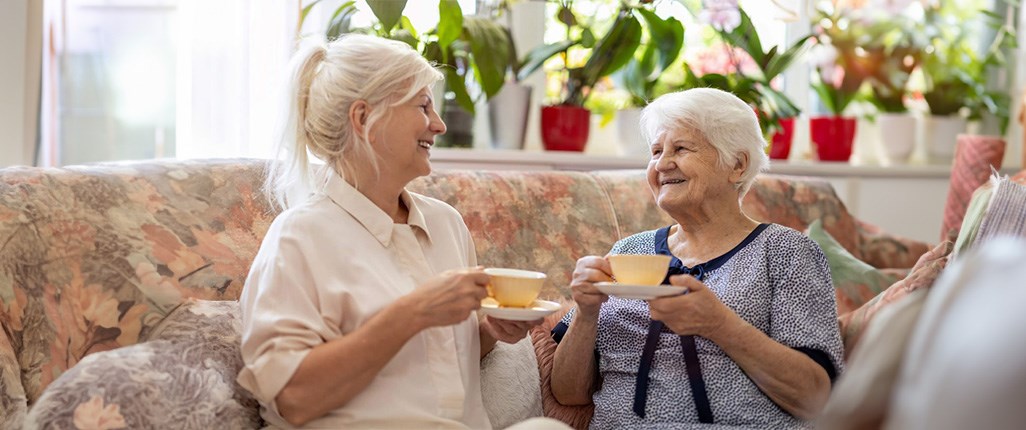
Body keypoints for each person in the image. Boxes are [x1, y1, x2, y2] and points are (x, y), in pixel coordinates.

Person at [237, 34, 546, 429]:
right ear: (364, 118)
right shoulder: (299, 238)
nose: (439, 124)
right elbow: (294, 399)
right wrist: (414, 311)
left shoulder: (445, 223)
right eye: (422, 105)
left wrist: (490, 331)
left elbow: (443, 363)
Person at [550, 88, 844, 429]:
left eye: (681, 149)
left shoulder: (786, 252)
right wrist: (586, 312)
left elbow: (817, 399)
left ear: (737, 165)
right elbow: (569, 393)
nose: (661, 164)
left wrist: (720, 325)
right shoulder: (629, 253)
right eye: (656, 151)